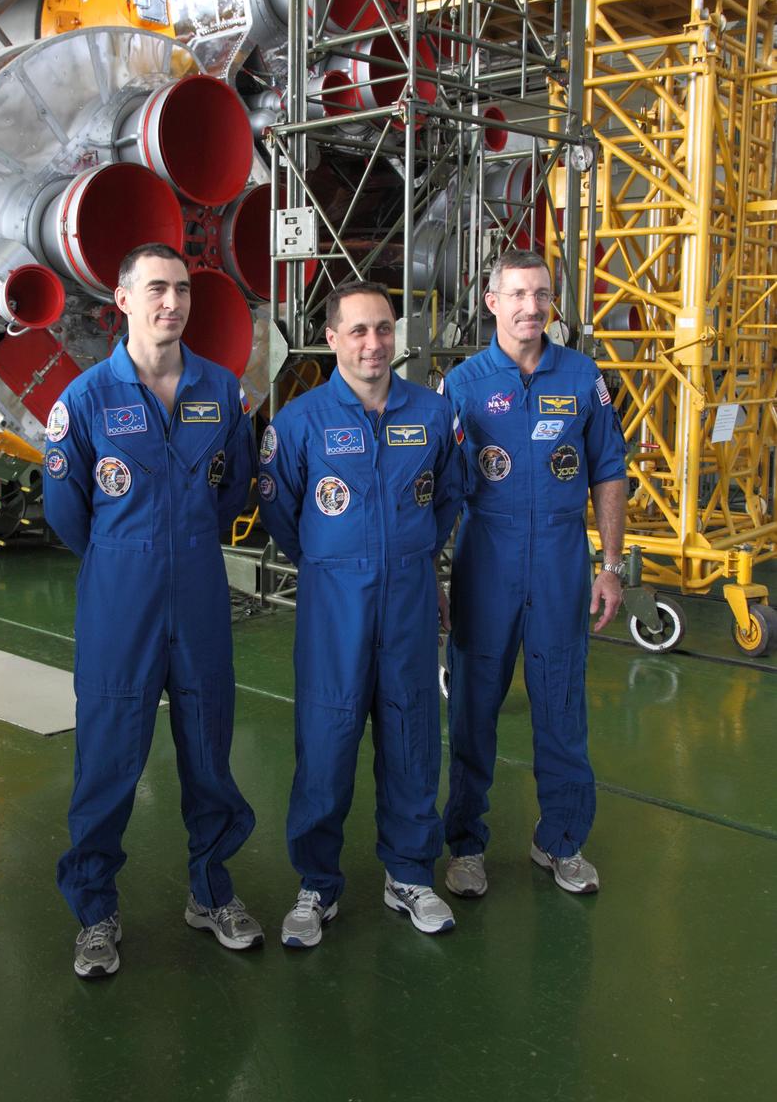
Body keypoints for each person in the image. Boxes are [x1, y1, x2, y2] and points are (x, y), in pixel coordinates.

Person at [43, 244, 262, 979]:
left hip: (198, 591)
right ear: (123, 299)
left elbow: (231, 491)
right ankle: (95, 911)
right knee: (108, 761)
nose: (172, 302)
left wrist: (182, 545)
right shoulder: (85, 401)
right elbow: (67, 511)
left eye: (183, 289)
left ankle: (211, 892)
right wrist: (127, 555)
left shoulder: (221, 391)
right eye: (157, 289)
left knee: (208, 752)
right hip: (120, 597)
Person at [258, 281, 464, 946]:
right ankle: (316, 885)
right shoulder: (299, 422)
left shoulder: (432, 414)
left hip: (407, 600)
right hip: (333, 604)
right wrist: (332, 561)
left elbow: (447, 496)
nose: (373, 343)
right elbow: (281, 511)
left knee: (411, 738)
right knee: (326, 742)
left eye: (382, 328)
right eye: (358, 330)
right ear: (331, 338)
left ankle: (409, 874)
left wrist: (411, 558)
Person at [441, 248, 627, 898]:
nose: (530, 307)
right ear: (491, 301)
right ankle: (466, 845)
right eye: (517, 294)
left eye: (541, 294)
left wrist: (611, 565)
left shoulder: (581, 376)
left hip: (558, 559)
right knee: (472, 709)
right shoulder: (463, 383)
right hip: (484, 560)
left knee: (561, 704)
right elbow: (438, 484)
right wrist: (432, 573)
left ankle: (561, 841)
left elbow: (608, 469)